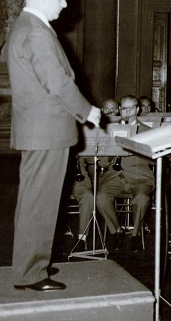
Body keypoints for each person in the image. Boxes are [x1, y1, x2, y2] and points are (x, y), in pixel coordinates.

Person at [7, 0, 101, 292]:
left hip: (41, 131)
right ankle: (31, 273)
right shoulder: (35, 31)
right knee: (39, 202)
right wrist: (89, 111)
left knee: (36, 201)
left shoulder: (29, 26)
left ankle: (31, 266)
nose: (64, 3)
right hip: (45, 131)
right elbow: (58, 83)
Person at [96, 95, 155, 252]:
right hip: (114, 176)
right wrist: (110, 151)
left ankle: (135, 235)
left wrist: (138, 148)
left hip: (140, 175)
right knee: (101, 198)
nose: (126, 112)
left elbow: (155, 160)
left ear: (137, 110)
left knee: (142, 199)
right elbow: (102, 163)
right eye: (123, 108)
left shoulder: (147, 131)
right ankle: (116, 231)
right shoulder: (109, 129)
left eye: (130, 108)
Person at [70, 99, 121, 250]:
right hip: (86, 171)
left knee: (101, 197)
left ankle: (117, 232)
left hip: (108, 174)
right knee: (89, 196)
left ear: (118, 110)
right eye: (106, 108)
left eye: (113, 109)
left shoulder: (121, 130)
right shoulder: (89, 129)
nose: (110, 112)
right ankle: (82, 238)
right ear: (102, 110)